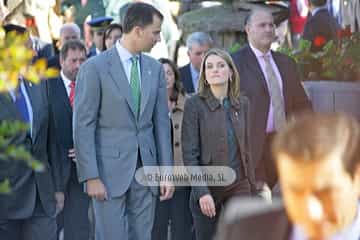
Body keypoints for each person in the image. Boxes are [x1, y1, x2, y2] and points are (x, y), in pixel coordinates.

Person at [73, 3, 174, 240]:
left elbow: (160, 124)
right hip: (106, 175)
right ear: (138, 30)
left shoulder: (155, 69)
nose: (159, 39)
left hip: (146, 172)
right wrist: (91, 176)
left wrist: (167, 171)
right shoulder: (94, 68)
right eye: (155, 32)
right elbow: (82, 125)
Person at [216, 112, 360, 240]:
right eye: (296, 191)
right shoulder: (241, 232)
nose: (312, 213)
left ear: (356, 178)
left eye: (325, 192)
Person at [231, 9, 312, 198]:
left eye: (271, 25)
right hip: (253, 148)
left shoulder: (286, 63)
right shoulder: (235, 63)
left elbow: (302, 105)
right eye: (262, 25)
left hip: (284, 143)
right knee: (261, 205)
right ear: (248, 29)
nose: (268, 29)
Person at [182, 48, 255, 240]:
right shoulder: (194, 104)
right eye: (210, 67)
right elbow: (190, 155)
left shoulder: (243, 103)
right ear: (204, 75)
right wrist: (202, 192)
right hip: (208, 185)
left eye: (221, 65)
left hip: (239, 183)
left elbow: (247, 150)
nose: (215, 70)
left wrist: (253, 186)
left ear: (230, 73)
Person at [0, 24, 63, 240]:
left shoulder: (39, 84)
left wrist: (58, 187)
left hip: (42, 196)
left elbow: (49, 140)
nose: (35, 53)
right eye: (28, 48)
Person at [47, 40, 89, 240]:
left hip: (82, 173)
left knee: (79, 227)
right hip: (54, 171)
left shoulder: (92, 86)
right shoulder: (46, 87)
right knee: (52, 228)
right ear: (62, 61)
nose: (79, 65)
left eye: (82, 60)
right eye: (73, 61)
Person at [152, 58, 193, 240]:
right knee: (157, 227)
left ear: (175, 76)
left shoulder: (189, 103)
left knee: (181, 228)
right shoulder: (148, 103)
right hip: (156, 177)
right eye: (161, 73)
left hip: (183, 177)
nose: (165, 77)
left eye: (169, 73)